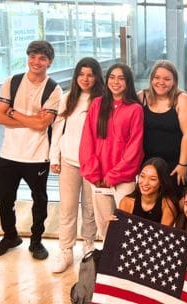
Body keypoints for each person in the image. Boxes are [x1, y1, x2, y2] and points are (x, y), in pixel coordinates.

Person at [0, 40, 63, 260]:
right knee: (4, 198)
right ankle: (10, 236)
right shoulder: (12, 82)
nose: (36, 62)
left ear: (49, 62)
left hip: (37, 155)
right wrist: (30, 119)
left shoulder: (53, 89)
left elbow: (42, 125)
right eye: (32, 56)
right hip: (9, 153)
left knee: (39, 200)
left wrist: (13, 113)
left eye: (42, 58)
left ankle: (37, 241)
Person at [48, 57, 105, 273]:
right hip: (69, 161)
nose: (85, 79)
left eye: (90, 74)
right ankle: (65, 251)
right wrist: (55, 158)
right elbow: (57, 129)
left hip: (93, 164)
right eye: (81, 74)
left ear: (97, 77)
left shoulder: (102, 100)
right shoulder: (68, 98)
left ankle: (88, 247)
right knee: (68, 208)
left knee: (90, 209)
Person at [79, 63, 144, 240]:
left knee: (125, 224)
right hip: (98, 177)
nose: (116, 82)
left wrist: (113, 176)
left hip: (123, 179)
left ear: (128, 82)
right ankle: (108, 263)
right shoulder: (97, 104)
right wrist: (94, 174)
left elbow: (134, 147)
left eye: (121, 78)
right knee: (105, 225)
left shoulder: (135, 109)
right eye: (112, 77)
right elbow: (87, 140)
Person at [138, 60, 187, 194]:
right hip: (148, 164)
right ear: (151, 79)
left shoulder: (181, 99)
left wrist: (182, 164)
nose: (161, 82)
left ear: (174, 81)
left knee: (172, 203)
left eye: (167, 79)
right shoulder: (142, 97)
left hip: (175, 164)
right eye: (157, 78)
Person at [117, 158, 178, 226]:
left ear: (161, 182)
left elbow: (164, 235)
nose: (145, 183)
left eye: (152, 179)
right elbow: (121, 231)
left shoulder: (167, 206)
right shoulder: (127, 202)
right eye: (142, 176)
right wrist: (112, 225)